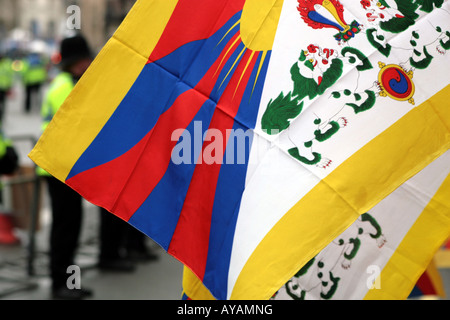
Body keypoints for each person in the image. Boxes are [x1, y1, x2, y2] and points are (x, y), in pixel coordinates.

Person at [37, 34, 138, 300]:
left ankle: (66, 279)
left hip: (66, 165)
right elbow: (82, 125)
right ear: (75, 62)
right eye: (85, 60)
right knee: (65, 228)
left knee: (71, 224)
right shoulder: (64, 87)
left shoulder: (71, 83)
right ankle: (61, 283)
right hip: (59, 165)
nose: (89, 63)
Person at [0, 54, 14, 122]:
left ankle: (2, 117)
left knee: (3, 103)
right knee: (3, 103)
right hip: (4, 87)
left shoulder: (6, 65)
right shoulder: (7, 65)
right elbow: (10, 76)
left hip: (4, 88)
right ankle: (2, 117)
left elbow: (10, 77)